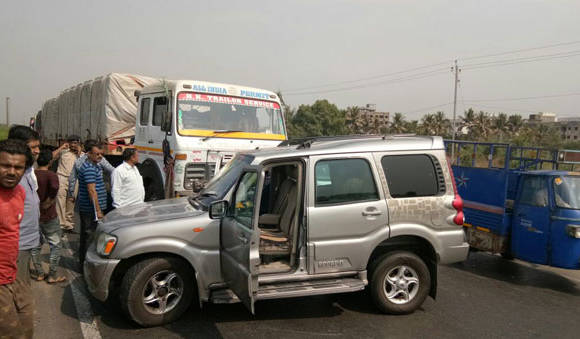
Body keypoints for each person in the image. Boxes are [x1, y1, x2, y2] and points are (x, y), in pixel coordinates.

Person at [0, 139, 34, 338]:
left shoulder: (19, 192)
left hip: (14, 274)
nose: (12, 172)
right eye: (5, 165)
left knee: (27, 323)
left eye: (18, 167)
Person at [8, 125, 41, 282]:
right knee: (18, 292)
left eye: (38, 146)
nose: (37, 151)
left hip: (26, 243)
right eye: (33, 147)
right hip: (15, 245)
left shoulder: (27, 170)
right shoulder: (10, 176)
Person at [31, 149, 67, 283]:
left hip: (35, 216)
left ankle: (40, 273)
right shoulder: (51, 175)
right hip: (49, 216)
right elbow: (54, 188)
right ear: (50, 162)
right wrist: (49, 201)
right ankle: (52, 275)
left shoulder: (32, 174)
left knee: (35, 246)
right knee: (55, 245)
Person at [77, 141, 107, 264]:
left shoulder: (96, 165)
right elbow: (91, 191)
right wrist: (98, 210)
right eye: (97, 154)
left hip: (92, 209)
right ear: (88, 154)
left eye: (101, 154)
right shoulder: (89, 168)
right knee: (89, 236)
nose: (100, 156)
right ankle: (84, 263)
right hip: (90, 210)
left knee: (90, 236)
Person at [67, 139, 114, 208]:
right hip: (97, 198)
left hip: (84, 198)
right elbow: (112, 170)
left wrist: (71, 193)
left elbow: (72, 178)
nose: (100, 155)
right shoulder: (99, 159)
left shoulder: (78, 162)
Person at [56, 135, 81, 231]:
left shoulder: (81, 155)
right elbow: (52, 156)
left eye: (76, 143)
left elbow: (82, 165)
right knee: (60, 200)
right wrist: (61, 147)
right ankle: (61, 224)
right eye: (72, 143)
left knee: (71, 201)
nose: (73, 145)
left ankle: (68, 224)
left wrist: (78, 153)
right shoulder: (63, 152)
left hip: (74, 180)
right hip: (62, 177)